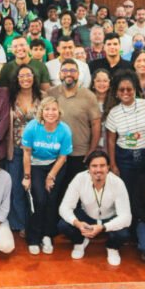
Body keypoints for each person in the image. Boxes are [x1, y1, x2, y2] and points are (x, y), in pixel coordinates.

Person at [58, 151, 132, 266]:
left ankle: (112, 247)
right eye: (94, 166)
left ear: (108, 167)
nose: (98, 170)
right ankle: (80, 241)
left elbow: (126, 217)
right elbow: (64, 208)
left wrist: (103, 227)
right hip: (87, 217)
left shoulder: (118, 183)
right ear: (88, 168)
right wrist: (78, 224)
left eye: (102, 166)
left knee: (124, 234)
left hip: (109, 219)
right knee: (63, 225)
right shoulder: (79, 178)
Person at [21, 97, 73, 255]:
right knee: (40, 200)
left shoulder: (64, 130)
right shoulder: (32, 127)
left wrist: (51, 176)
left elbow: (63, 157)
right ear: (41, 112)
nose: (51, 113)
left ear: (59, 112)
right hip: (35, 166)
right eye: (47, 109)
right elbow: (27, 152)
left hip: (55, 166)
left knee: (51, 200)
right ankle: (33, 238)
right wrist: (27, 176)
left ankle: (47, 235)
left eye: (54, 109)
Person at [47, 59, 102, 194]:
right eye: (65, 70)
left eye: (72, 71)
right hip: (54, 153)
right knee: (55, 192)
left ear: (78, 74)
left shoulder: (89, 96)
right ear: (59, 74)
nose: (68, 74)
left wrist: (92, 151)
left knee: (77, 193)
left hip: (79, 153)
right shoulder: (51, 94)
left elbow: (96, 124)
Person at [105, 70, 145, 194]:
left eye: (129, 89)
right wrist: (113, 164)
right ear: (117, 92)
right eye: (122, 89)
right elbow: (111, 140)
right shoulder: (113, 113)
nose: (126, 92)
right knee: (127, 191)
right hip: (124, 157)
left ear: (135, 89)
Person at [6, 64, 42, 236]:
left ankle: (36, 223)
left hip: (38, 151)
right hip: (16, 149)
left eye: (29, 75)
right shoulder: (10, 98)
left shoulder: (43, 97)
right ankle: (20, 224)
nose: (25, 79)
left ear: (34, 77)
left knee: (36, 189)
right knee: (16, 188)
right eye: (21, 76)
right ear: (17, 79)